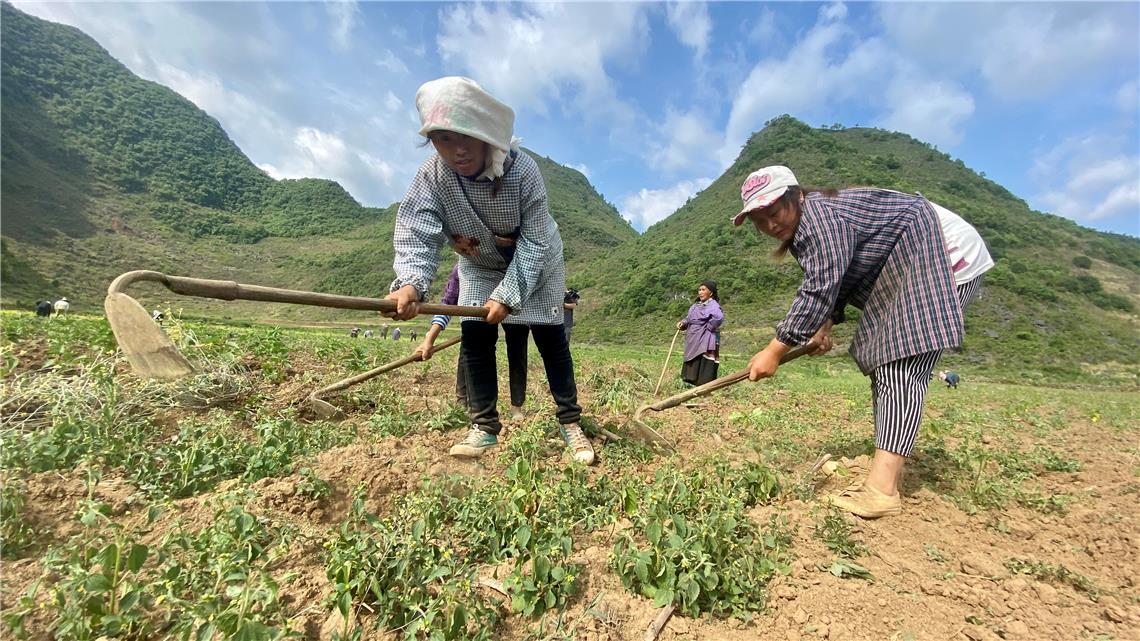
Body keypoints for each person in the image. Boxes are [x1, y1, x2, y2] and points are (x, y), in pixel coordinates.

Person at [734, 165, 992, 519]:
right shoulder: (809, 226)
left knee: (899, 365)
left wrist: (775, 349)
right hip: (911, 259)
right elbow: (837, 276)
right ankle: (884, 472)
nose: (770, 225)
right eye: (759, 220)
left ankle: (882, 491)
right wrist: (823, 326)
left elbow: (820, 286)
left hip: (943, 253)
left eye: (774, 212)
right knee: (888, 362)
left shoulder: (819, 216)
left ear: (797, 195)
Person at [386, 76, 592, 463]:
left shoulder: (523, 172)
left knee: (551, 340)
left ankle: (570, 422)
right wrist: (411, 283)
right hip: (479, 263)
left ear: (488, 135)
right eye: (443, 139)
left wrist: (508, 295)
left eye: (466, 136)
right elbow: (417, 230)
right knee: (476, 335)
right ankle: (484, 426)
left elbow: (533, 243)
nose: (457, 150)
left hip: (539, 261)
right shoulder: (431, 177)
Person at [417, 263, 529, 420]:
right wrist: (429, 340)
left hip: (513, 307)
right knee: (470, 342)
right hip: (481, 308)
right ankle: (462, 401)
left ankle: (516, 406)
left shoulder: (514, 263)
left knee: (518, 346)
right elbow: (449, 303)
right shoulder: (462, 268)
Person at [677, 281, 724, 386]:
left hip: (705, 336)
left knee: (704, 360)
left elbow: (718, 317)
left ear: (710, 293)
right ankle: (693, 383)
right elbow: (689, 318)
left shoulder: (713, 305)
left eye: (703, 290)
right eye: (699, 290)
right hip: (693, 336)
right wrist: (683, 323)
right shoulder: (695, 306)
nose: (700, 292)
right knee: (693, 359)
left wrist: (708, 326)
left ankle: (704, 387)